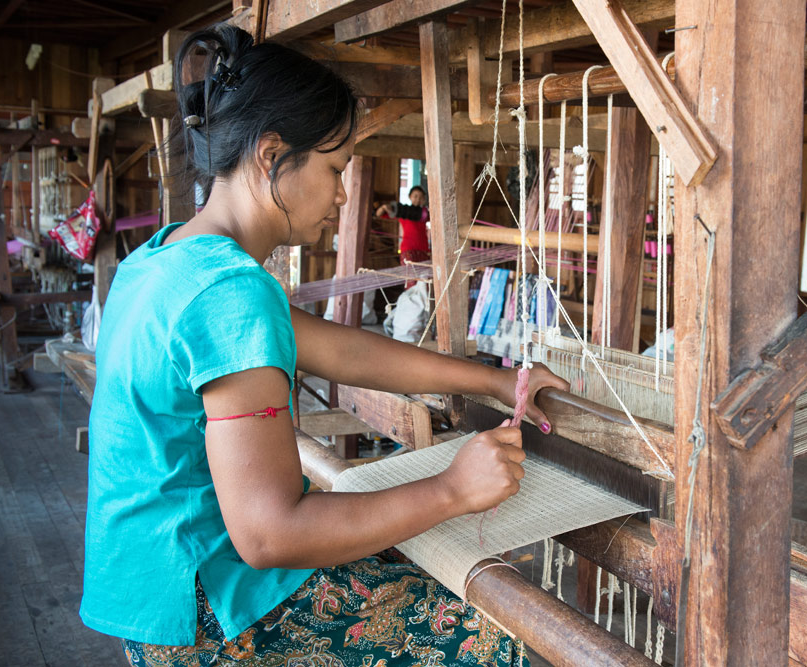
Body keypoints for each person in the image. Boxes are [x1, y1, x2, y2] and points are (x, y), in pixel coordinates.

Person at [80, 25, 568, 666]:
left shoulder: (163, 260)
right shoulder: (229, 293)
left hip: (154, 600)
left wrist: (497, 382)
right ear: (271, 154)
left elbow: (345, 352)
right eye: (334, 168)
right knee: (497, 643)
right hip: (212, 618)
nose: (342, 194)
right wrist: (453, 489)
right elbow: (269, 534)